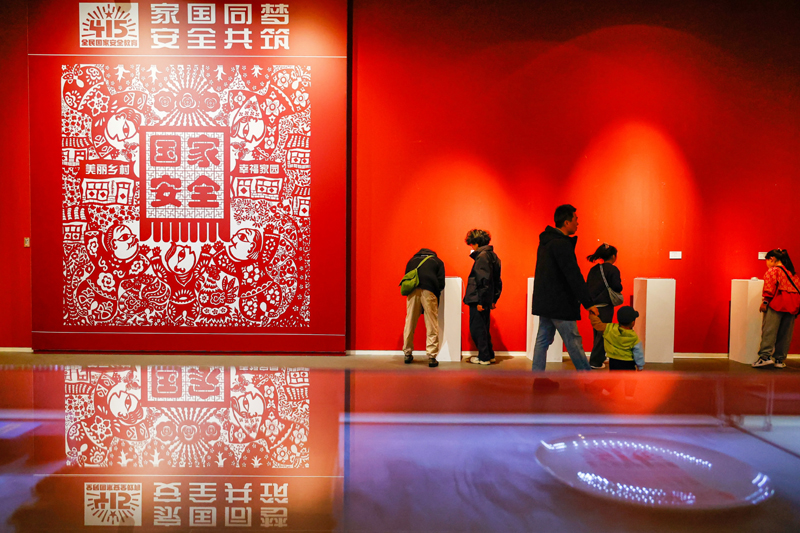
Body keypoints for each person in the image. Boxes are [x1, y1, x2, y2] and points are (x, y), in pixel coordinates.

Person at [531, 204, 598, 371]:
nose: (578, 223)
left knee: (542, 340)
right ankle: (587, 377)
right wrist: (588, 302)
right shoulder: (561, 244)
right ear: (567, 222)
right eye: (576, 219)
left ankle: (536, 376)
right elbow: (573, 275)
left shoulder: (546, 242)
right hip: (560, 303)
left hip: (545, 302)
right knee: (573, 340)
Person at [753, 249, 800, 368]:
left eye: (767, 261)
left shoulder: (773, 271)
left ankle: (765, 357)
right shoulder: (792, 273)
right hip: (791, 307)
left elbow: (769, 288)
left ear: (772, 259)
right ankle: (779, 360)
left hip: (776, 305)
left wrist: (765, 302)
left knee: (769, 331)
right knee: (785, 334)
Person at [463, 229, 502, 365]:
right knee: (484, 328)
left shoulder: (482, 256)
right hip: (485, 299)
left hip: (478, 299)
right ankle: (489, 355)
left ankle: (484, 357)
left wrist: (481, 301)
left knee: (477, 328)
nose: (472, 247)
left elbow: (483, 281)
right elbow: (497, 281)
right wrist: (493, 300)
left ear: (476, 243)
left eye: (472, 244)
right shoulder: (493, 256)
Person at [402, 248, 446, 367]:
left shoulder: (412, 261)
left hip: (412, 291)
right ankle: (431, 356)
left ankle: (407, 353)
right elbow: (441, 283)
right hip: (429, 291)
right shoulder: (437, 261)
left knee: (410, 322)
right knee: (431, 323)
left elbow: (406, 277)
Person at [589, 306, 644, 399]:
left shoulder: (610, 328)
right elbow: (638, 353)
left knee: (613, 379)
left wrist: (592, 314)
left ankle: (605, 392)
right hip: (628, 363)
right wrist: (640, 365)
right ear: (633, 322)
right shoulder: (634, 337)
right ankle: (629, 397)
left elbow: (597, 324)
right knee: (630, 381)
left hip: (614, 361)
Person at [586, 243, 623, 369]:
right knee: (603, 333)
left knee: (597, 332)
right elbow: (617, 287)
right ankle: (595, 361)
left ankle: (600, 357)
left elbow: (587, 286)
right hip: (605, 306)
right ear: (613, 256)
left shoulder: (593, 270)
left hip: (593, 305)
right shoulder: (613, 270)